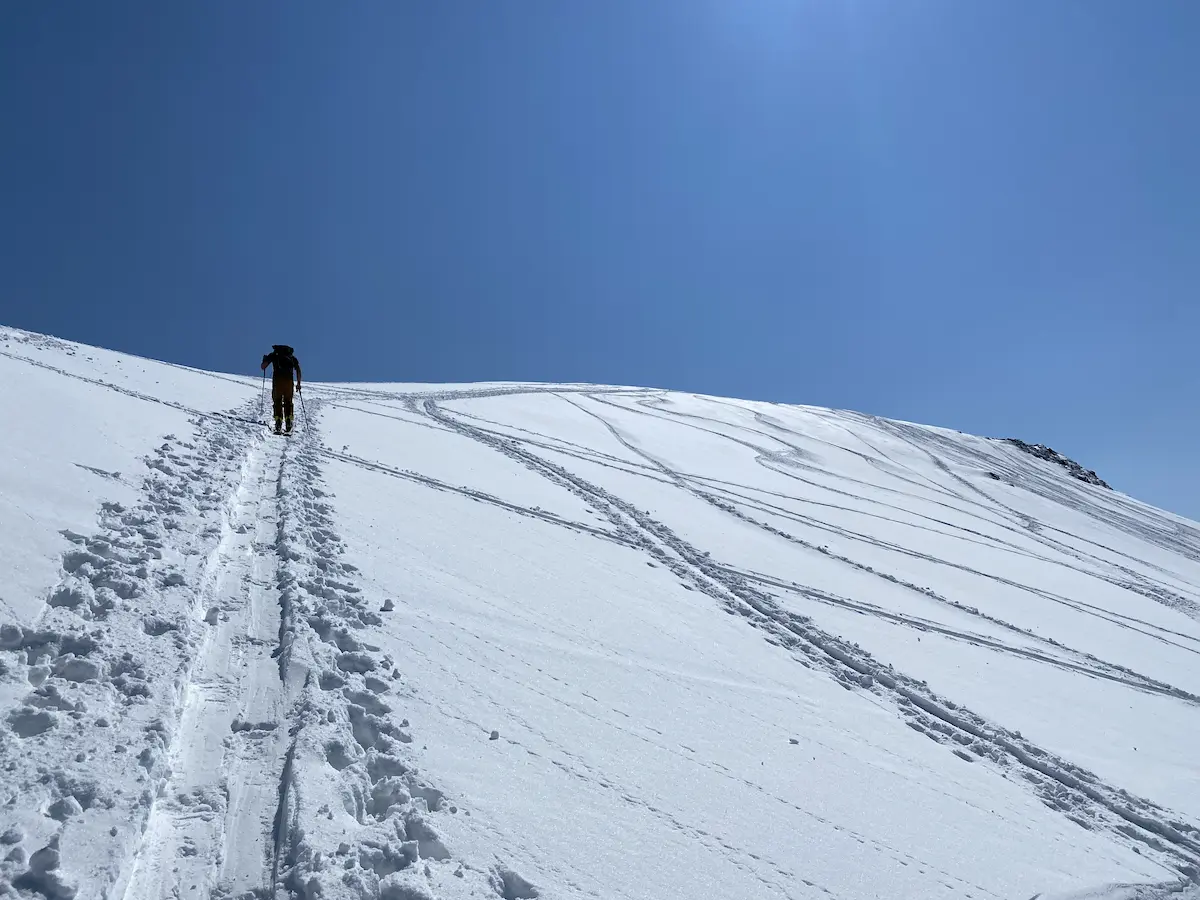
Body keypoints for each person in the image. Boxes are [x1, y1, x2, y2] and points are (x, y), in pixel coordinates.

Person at [261, 344, 302, 434]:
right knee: (288, 401)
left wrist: (264, 360)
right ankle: (288, 422)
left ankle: (278, 422)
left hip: (277, 381)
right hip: (288, 381)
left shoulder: (274, 355)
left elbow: (263, 366)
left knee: (277, 401)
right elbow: (298, 370)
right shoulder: (291, 357)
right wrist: (298, 384)